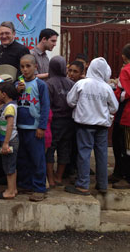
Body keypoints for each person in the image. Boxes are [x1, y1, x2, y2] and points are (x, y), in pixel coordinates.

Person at [65, 58, 118, 195]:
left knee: (84, 153)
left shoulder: (82, 84)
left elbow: (70, 102)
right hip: (102, 126)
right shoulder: (106, 87)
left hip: (84, 125)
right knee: (102, 155)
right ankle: (102, 184)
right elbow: (114, 107)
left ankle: (82, 185)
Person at [16, 54, 50, 202]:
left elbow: (45, 107)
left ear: (36, 67)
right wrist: (17, 90)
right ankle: (26, 184)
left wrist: (42, 126)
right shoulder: (18, 84)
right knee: (23, 158)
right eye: (22, 66)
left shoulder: (41, 85)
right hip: (20, 127)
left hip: (34, 128)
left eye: (28, 66)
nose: (25, 69)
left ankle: (39, 188)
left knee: (38, 159)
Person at [45, 56, 75, 188]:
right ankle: (59, 176)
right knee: (64, 148)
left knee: (50, 149)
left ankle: (50, 179)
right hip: (69, 122)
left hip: (54, 122)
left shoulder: (49, 83)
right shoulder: (71, 84)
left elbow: (47, 105)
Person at [0, 82, 19, 200]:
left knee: (9, 166)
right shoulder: (8, 105)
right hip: (8, 139)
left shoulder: (9, 108)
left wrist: (5, 143)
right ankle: (13, 189)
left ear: (4, 94)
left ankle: (10, 191)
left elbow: (10, 125)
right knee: (10, 165)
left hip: (9, 140)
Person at [111, 44, 130, 189]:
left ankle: (126, 177)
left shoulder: (126, 70)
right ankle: (118, 172)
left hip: (126, 114)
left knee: (123, 146)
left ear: (124, 56)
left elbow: (125, 93)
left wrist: (115, 95)